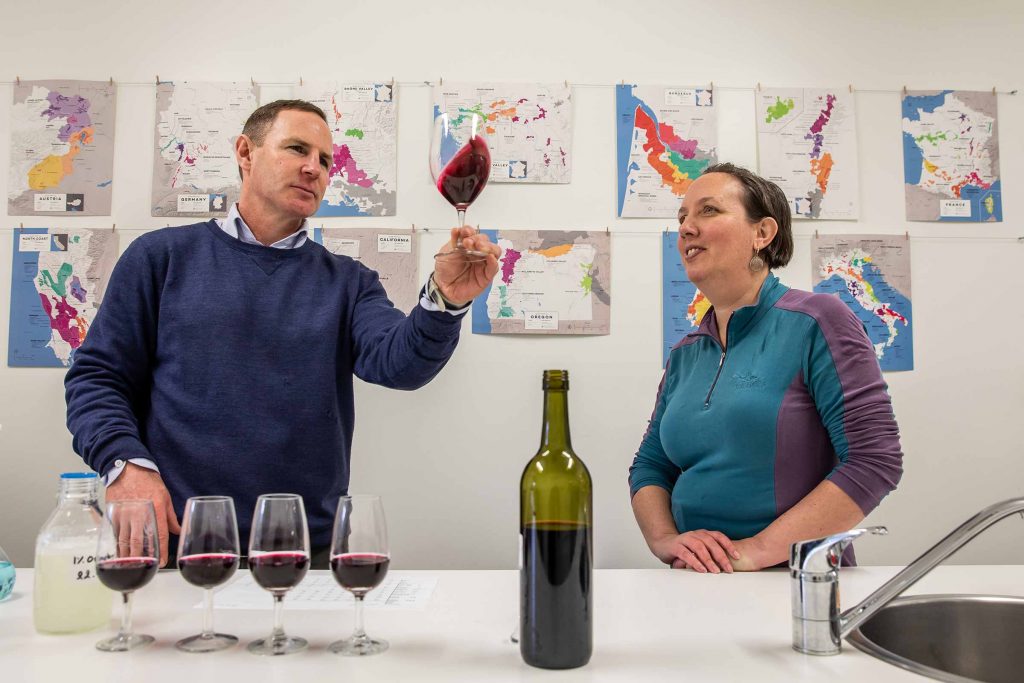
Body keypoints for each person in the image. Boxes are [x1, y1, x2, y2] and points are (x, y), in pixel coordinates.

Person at [65, 100, 500, 566]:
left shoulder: (349, 282)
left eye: (326, 160)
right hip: (177, 545)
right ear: (245, 153)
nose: (314, 168)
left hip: (304, 551)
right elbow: (97, 379)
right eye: (297, 149)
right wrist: (126, 465)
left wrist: (446, 300)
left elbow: (400, 364)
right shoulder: (159, 258)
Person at [629, 163, 903, 573]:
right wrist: (666, 541)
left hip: (796, 582)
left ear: (762, 233)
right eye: (682, 217)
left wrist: (754, 551)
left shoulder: (818, 320)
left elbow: (875, 459)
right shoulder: (686, 353)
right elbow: (651, 465)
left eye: (708, 211)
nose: (686, 227)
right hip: (697, 581)